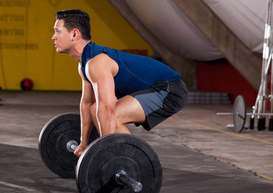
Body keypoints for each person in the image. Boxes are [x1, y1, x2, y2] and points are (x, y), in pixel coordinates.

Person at [52, 9, 188, 157]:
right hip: (156, 88)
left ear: (74, 34)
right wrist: (83, 143)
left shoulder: (97, 62)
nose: (53, 37)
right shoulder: (85, 65)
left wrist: (104, 154)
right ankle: (127, 159)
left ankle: (132, 160)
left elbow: (108, 109)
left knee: (110, 114)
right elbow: (86, 104)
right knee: (95, 109)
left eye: (57, 32)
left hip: (170, 89)